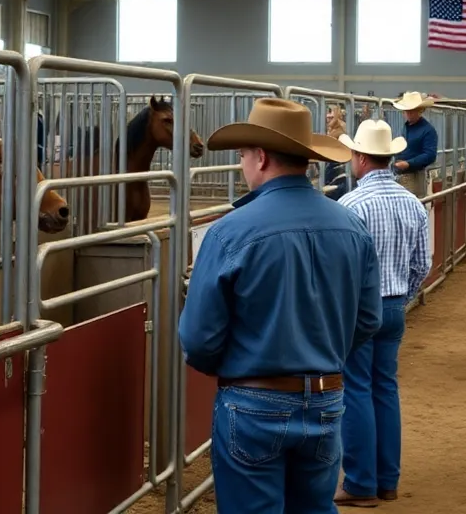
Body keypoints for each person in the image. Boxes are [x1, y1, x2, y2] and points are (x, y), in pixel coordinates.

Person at [179, 98, 383, 514]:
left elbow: (199, 338)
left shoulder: (229, 232)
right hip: (326, 397)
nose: (241, 164)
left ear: (262, 157)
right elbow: (367, 320)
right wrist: (324, 353)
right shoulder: (350, 225)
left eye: (242, 155)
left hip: (253, 400)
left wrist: (242, 362)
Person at [334, 119, 431, 508]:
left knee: (355, 389)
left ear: (359, 157)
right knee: (385, 388)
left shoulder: (349, 205)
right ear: (389, 157)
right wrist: (402, 297)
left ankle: (360, 483)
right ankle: (387, 479)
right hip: (393, 305)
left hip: (359, 308)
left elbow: (340, 267)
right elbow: (423, 263)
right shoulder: (412, 203)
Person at [392, 91, 438, 198]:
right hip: (400, 174)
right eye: (406, 111)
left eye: (411, 111)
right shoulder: (406, 127)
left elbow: (430, 155)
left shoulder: (428, 130)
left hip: (415, 176)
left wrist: (408, 163)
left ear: (419, 110)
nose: (408, 113)